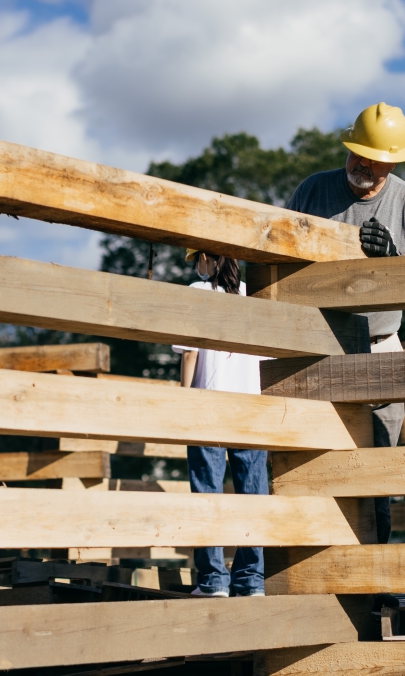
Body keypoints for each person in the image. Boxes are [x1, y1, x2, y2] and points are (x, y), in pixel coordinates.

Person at [286, 102, 405, 607]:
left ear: (394, 163)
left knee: (378, 472)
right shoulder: (313, 191)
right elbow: (278, 251)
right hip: (318, 350)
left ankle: (379, 582)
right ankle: (315, 580)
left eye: (375, 160)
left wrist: (393, 261)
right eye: (358, 155)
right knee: (312, 467)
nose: (364, 166)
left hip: (380, 347)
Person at [174, 248, 268, 598]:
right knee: (253, 496)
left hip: (208, 406)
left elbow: (189, 352)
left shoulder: (197, 294)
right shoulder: (253, 299)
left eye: (196, 260)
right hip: (252, 407)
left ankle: (214, 581)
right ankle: (251, 580)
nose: (196, 267)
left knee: (207, 494)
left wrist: (183, 401)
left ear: (207, 258)